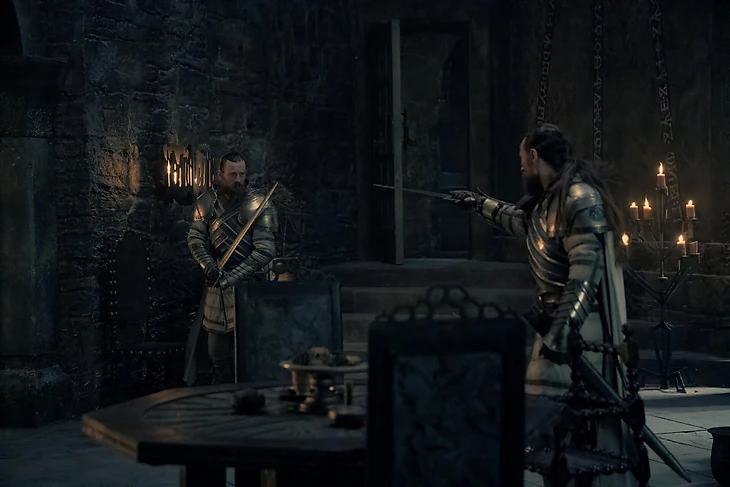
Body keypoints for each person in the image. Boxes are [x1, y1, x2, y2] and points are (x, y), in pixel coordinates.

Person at [451, 123, 636, 487]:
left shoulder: (578, 197)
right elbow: (525, 223)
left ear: (534, 156)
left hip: (581, 330)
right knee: (548, 428)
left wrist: (564, 329)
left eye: (522, 160)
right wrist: (478, 203)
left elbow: (586, 272)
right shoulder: (551, 199)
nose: (521, 168)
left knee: (576, 426)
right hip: (554, 327)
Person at [183, 151, 277, 384]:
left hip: (248, 285)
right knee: (216, 352)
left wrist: (233, 276)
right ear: (220, 175)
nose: (238, 180)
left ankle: (248, 392)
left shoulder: (258, 204)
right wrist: (208, 265)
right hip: (217, 283)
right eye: (233, 174)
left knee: (250, 347)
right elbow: (196, 239)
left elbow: (264, 250)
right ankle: (223, 391)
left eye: (242, 174)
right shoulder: (206, 201)